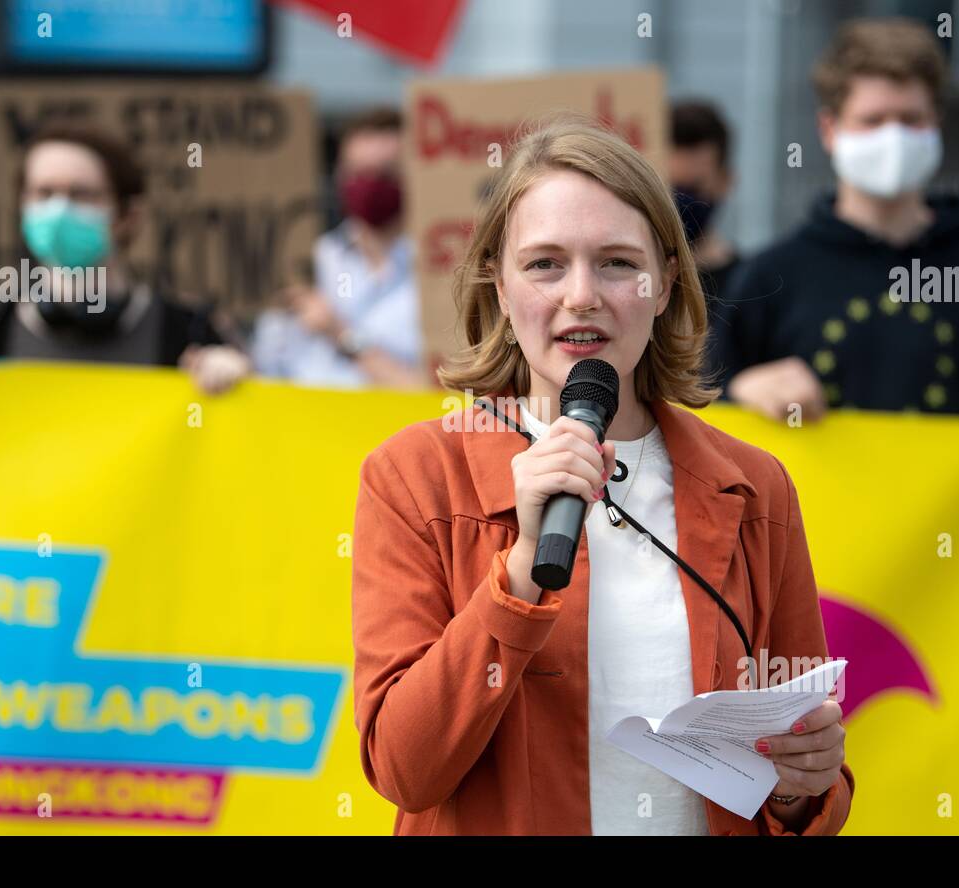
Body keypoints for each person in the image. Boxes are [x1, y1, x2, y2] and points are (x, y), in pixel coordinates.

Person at [350, 114, 853, 836]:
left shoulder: (754, 486)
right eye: (545, 263)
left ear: (665, 280)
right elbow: (405, 768)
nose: (581, 295)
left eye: (617, 263)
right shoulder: (414, 477)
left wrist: (800, 787)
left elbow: (809, 779)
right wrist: (519, 572)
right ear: (497, 277)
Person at [712, 17, 959, 486]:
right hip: (812, 556)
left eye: (910, 119)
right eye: (873, 120)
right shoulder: (770, 277)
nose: (893, 138)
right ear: (829, 128)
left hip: (953, 555)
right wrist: (738, 394)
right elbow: (698, 434)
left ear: (936, 124)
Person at [0, 122, 250, 394]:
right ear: (23, 206)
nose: (59, 210)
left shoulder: (188, 336)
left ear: (128, 215)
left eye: (82, 195)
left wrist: (238, 384)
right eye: (43, 193)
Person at [250, 107, 427, 389]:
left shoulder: (440, 273)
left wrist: (341, 334)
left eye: (384, 173)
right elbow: (265, 368)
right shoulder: (313, 259)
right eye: (358, 173)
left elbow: (439, 394)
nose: (368, 185)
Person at [669, 100, 739, 302]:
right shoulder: (637, 284)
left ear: (725, 182)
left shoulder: (750, 287)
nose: (680, 201)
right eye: (670, 189)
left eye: (693, 188)